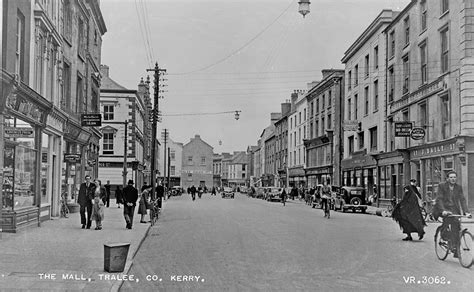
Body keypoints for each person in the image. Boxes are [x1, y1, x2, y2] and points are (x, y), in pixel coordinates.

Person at [433, 171, 472, 257]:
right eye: (451, 177)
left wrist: (467, 212)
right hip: (442, 208)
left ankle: (455, 248)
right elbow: (439, 199)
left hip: (453, 210)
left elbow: (462, 200)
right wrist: (443, 210)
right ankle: (444, 237)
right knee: (446, 223)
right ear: (447, 178)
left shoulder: (458, 187)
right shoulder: (442, 186)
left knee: (456, 227)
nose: (453, 179)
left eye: (454, 177)